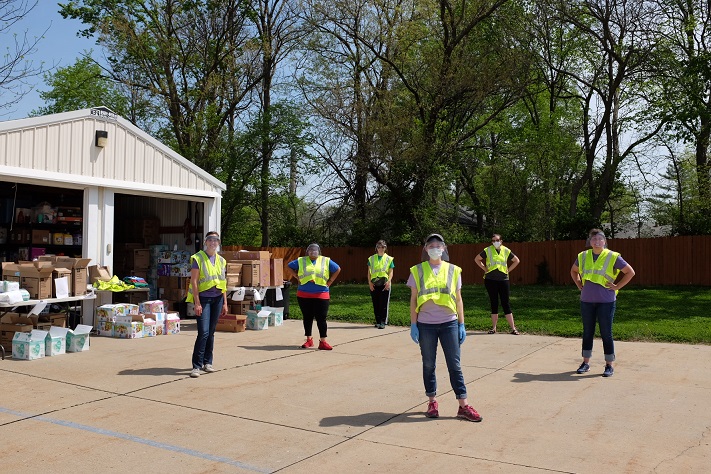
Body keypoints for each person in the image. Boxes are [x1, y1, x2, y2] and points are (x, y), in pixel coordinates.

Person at [408, 233, 482, 422]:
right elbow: (414, 299)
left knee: (455, 365)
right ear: (425, 249)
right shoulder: (417, 270)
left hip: (449, 323)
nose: (434, 247)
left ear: (444, 248)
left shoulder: (454, 270)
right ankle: (432, 401)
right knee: (428, 364)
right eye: (431, 245)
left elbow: (458, 299)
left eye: (438, 245)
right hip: (426, 325)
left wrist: (462, 324)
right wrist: (414, 324)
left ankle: (463, 406)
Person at [570, 229, 635, 377]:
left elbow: (630, 272)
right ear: (590, 241)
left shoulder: (612, 256)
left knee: (606, 333)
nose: (597, 241)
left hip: (606, 301)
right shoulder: (583, 256)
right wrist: (579, 284)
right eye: (594, 239)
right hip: (586, 301)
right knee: (587, 332)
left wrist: (617, 286)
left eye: (600, 239)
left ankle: (609, 365)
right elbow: (574, 271)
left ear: (604, 241)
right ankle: (585, 363)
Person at [187, 231, 228, 378]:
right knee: (203, 332)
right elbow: (194, 281)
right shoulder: (198, 258)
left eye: (215, 240)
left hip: (217, 299)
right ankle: (196, 366)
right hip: (203, 300)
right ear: (205, 242)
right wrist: (197, 303)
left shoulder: (221, 260)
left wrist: (225, 303)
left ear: (218, 243)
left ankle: (207, 362)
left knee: (211, 333)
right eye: (210, 239)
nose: (213, 242)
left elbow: (223, 282)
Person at [287, 243, 341, 350]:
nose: (313, 252)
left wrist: (330, 281)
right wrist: (296, 276)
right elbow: (289, 266)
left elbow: (337, 269)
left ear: (319, 252)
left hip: (322, 293)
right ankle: (309, 340)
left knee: (321, 318)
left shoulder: (325, 260)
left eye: (315, 250)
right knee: (307, 317)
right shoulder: (301, 260)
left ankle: (323, 341)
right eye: (310, 250)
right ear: (307, 252)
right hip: (303, 293)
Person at [474, 234, 521, 334]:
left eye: (497, 240)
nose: (495, 242)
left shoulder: (506, 250)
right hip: (490, 279)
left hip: (503, 279)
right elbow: (477, 259)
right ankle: (494, 328)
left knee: (506, 303)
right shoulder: (487, 250)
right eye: (493, 240)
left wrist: (508, 270)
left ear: (501, 241)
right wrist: (484, 268)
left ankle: (513, 328)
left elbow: (516, 260)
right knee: (494, 302)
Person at [368, 240, 395, 329]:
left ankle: (383, 322)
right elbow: (369, 273)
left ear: (385, 248)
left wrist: (389, 282)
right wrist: (370, 283)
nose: (381, 249)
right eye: (379, 247)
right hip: (374, 283)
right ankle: (378, 321)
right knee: (376, 303)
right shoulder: (371, 259)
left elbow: (391, 272)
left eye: (383, 247)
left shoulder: (389, 259)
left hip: (384, 283)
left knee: (383, 303)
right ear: (376, 248)